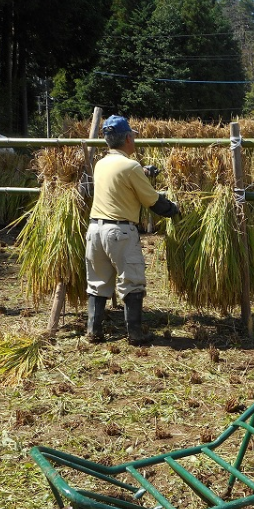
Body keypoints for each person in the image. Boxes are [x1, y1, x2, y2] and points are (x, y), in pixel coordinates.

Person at [86, 114, 179, 345]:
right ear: (127, 138)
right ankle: (135, 334)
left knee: (97, 283)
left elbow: (119, 182)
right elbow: (153, 201)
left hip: (95, 231)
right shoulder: (130, 166)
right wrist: (174, 209)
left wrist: (144, 174)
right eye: (133, 137)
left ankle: (93, 331)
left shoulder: (100, 163)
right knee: (132, 281)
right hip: (119, 233)